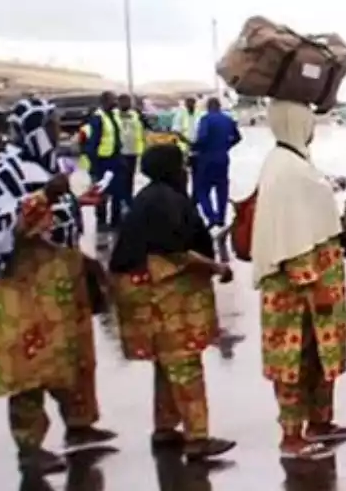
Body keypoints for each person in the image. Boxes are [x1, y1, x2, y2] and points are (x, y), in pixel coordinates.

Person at [0, 98, 117, 474]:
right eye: (51, 125)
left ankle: (79, 425)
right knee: (31, 364)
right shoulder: (7, 168)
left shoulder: (47, 163)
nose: (58, 131)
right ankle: (29, 445)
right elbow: (0, 227)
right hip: (23, 286)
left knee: (72, 356)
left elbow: (56, 213)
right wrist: (47, 196)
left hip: (59, 279)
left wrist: (78, 201)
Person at [109, 143, 236, 460]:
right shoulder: (168, 201)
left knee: (166, 362)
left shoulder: (148, 198)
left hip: (137, 291)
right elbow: (176, 251)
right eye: (181, 166)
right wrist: (217, 267)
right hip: (162, 292)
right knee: (184, 361)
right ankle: (197, 437)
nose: (185, 172)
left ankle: (165, 427)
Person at [251, 100, 346, 458]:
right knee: (292, 360)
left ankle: (321, 422)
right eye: (308, 120)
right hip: (298, 289)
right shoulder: (287, 169)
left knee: (320, 356)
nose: (312, 126)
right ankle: (292, 435)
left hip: (318, 280)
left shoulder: (295, 161)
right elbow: (291, 235)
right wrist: (313, 283)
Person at [192, 98, 242, 228]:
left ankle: (211, 215)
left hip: (206, 159)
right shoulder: (228, 119)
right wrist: (226, 146)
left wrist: (194, 147)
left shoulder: (206, 119)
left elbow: (202, 138)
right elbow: (238, 137)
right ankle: (221, 218)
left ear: (208, 107)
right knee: (222, 189)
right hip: (222, 158)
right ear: (219, 107)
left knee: (202, 189)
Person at [81, 91, 122, 232]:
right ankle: (101, 221)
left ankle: (116, 220)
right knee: (101, 191)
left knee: (117, 190)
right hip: (102, 160)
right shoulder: (98, 118)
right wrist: (94, 163)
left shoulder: (114, 115)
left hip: (115, 159)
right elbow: (93, 143)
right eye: (113, 100)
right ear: (105, 102)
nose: (115, 102)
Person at [114, 93, 146, 225]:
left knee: (129, 181)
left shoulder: (135, 115)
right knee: (119, 183)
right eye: (124, 101)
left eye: (128, 101)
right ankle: (117, 214)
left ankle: (129, 208)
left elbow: (141, 130)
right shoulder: (114, 115)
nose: (126, 104)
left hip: (132, 152)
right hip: (119, 153)